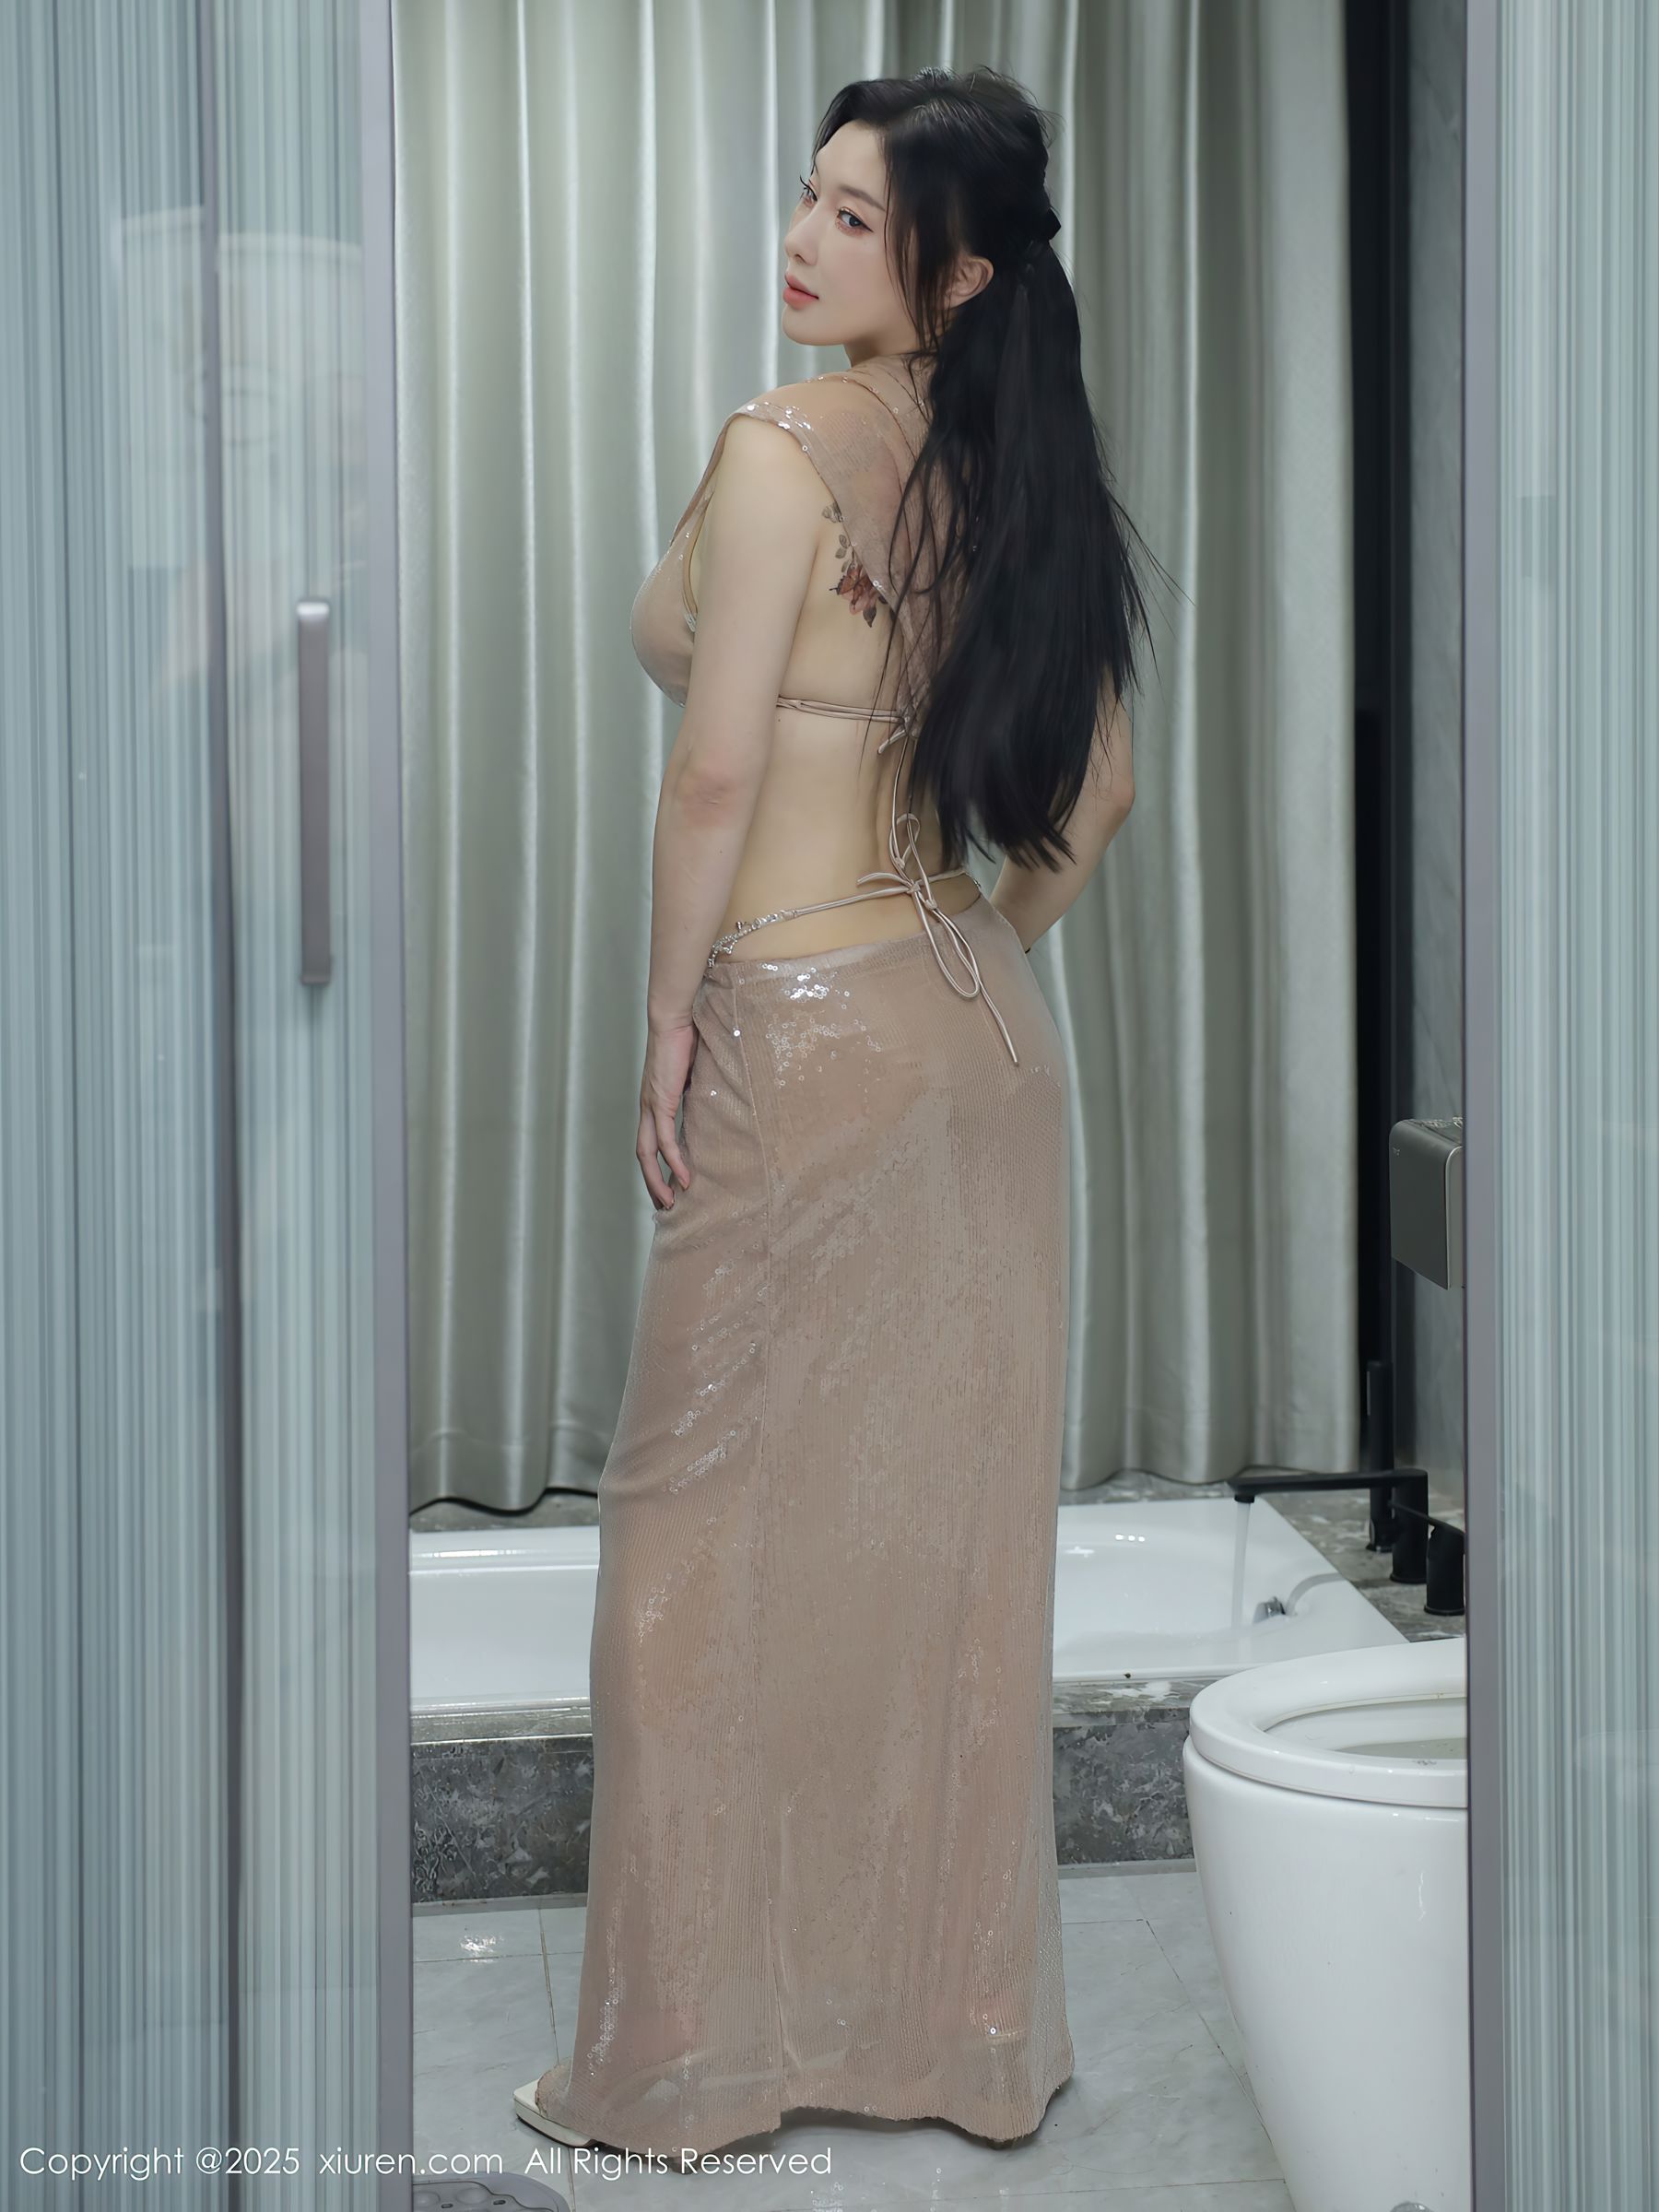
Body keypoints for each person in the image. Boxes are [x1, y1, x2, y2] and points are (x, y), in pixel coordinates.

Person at [515, 62, 1159, 2162]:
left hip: (793, 1030)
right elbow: (1102, 798)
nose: (802, 240)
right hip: (973, 1043)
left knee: (687, 1539)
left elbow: (714, 775)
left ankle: (681, 2067)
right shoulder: (1021, 479)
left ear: (955, 273)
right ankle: (952, 2045)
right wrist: (968, 949)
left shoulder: (786, 445)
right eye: (807, 198)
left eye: (855, 220)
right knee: (938, 1559)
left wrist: (666, 1020)